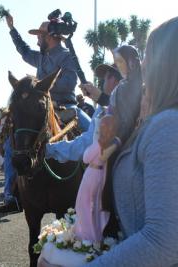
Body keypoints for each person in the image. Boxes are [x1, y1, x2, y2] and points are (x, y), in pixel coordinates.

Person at [85, 17, 178, 267]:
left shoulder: (168, 125)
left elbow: (163, 243)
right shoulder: (161, 120)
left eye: (149, 54)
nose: (144, 63)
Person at [6, 14, 91, 131]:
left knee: (92, 131)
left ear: (49, 38)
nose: (37, 42)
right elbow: (24, 51)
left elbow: (69, 83)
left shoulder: (67, 56)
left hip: (66, 106)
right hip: (40, 106)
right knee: (12, 136)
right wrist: (12, 29)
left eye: (39, 38)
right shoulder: (41, 57)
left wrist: (41, 86)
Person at [46, 63, 122, 163]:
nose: (103, 80)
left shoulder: (115, 109)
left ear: (115, 81)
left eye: (107, 77)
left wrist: (50, 149)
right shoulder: (103, 107)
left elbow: (89, 142)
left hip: (111, 171)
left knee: (77, 112)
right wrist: (99, 97)